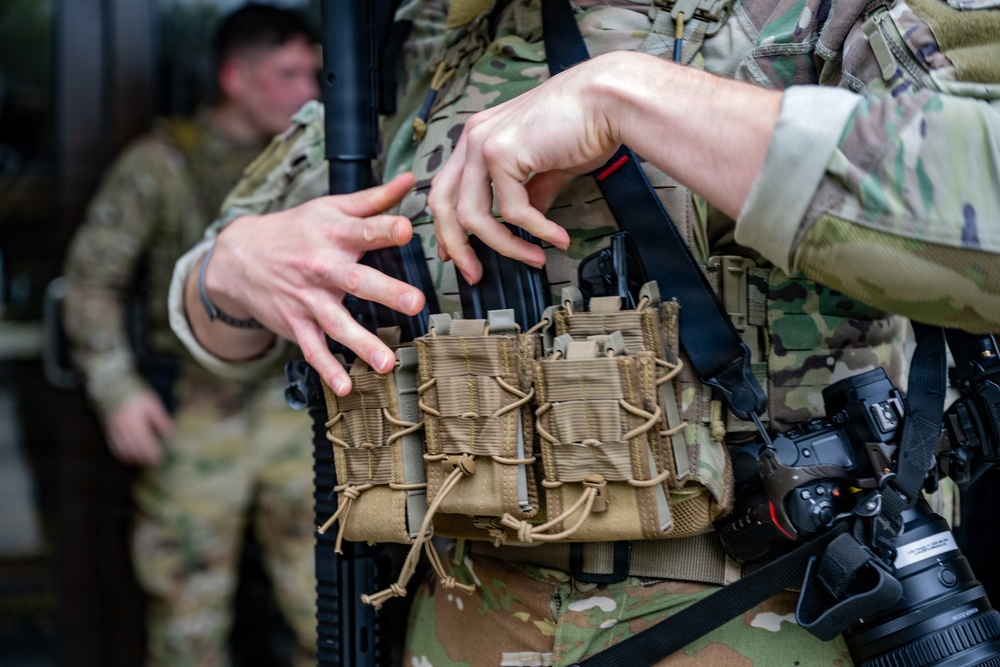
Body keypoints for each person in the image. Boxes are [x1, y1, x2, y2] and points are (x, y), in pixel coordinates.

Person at [168, 0, 1000, 665]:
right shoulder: (430, 34)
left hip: (771, 610)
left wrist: (628, 98)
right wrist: (228, 269)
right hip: (462, 617)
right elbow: (219, 322)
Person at [62, 4, 321, 665]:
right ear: (235, 77)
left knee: (327, 613)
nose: (308, 92)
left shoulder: (314, 163)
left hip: (298, 410)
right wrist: (118, 387)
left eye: (314, 73)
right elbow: (91, 280)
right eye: (288, 73)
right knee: (188, 620)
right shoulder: (161, 162)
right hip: (196, 415)